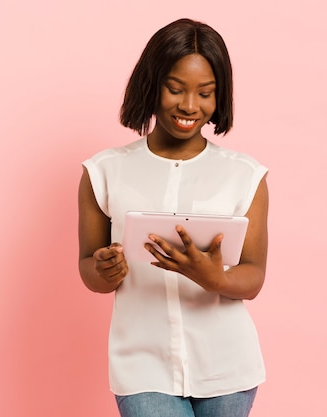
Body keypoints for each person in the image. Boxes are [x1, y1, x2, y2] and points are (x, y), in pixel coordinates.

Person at [77, 18, 268, 417]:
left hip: (227, 369)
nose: (189, 106)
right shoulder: (104, 171)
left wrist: (214, 278)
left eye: (206, 93)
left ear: (221, 96)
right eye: (175, 88)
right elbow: (89, 270)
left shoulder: (245, 175)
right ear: (151, 84)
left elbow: (253, 276)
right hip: (142, 366)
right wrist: (104, 270)